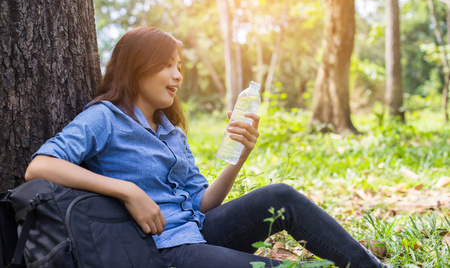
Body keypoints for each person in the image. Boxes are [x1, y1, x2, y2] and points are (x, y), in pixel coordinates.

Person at [25, 27, 386, 268]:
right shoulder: (105, 117)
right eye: (167, 65)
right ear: (136, 67)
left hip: (197, 229)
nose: (178, 76)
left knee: (281, 195)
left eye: (179, 66)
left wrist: (238, 157)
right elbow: (40, 166)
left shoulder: (171, 132)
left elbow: (202, 204)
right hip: (161, 248)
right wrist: (128, 190)